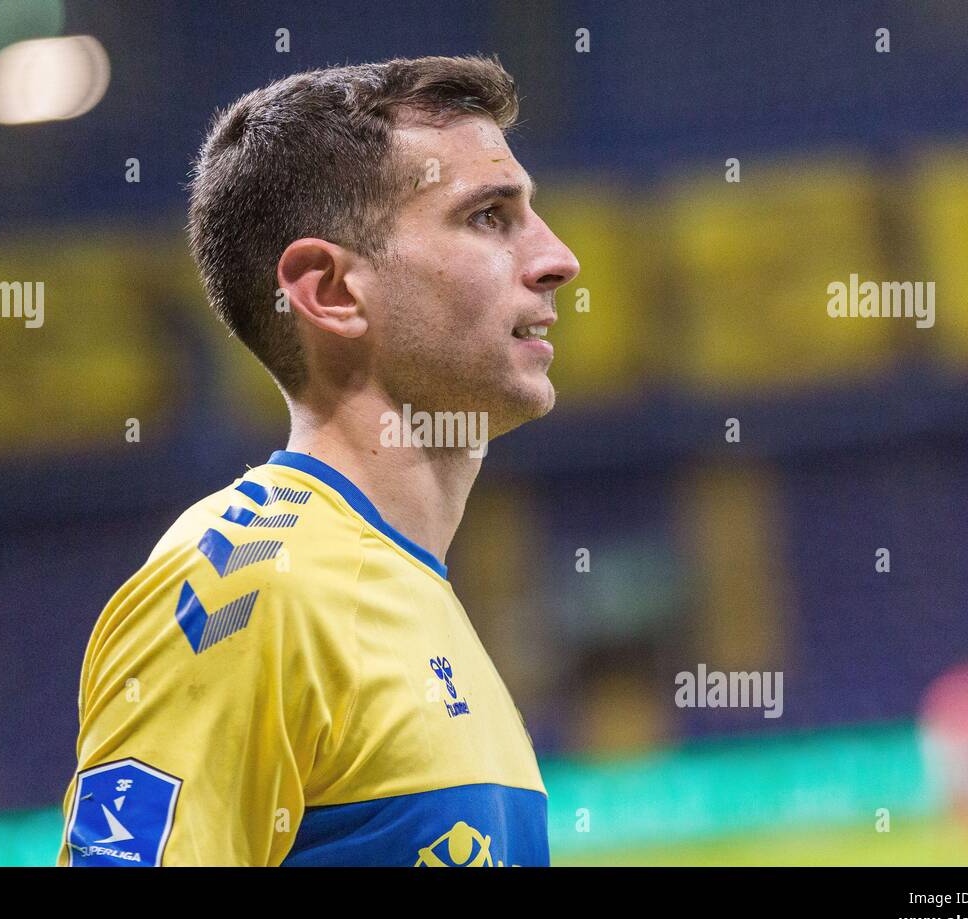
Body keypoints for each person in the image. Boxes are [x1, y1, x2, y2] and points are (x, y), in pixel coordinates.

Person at [58, 54, 580, 866]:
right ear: (330, 290)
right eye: (487, 217)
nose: (557, 258)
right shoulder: (245, 585)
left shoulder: (408, 592)